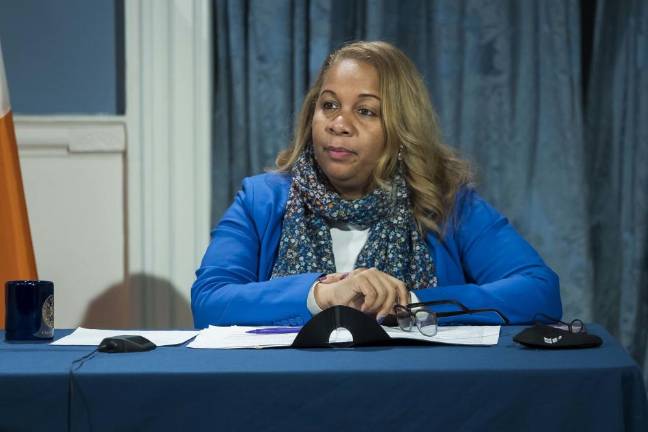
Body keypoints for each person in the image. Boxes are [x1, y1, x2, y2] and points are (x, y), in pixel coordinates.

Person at [191, 41, 562, 328]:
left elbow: (539, 290)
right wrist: (323, 296)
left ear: (401, 131)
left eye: (365, 111)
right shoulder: (261, 200)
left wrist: (410, 303)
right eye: (329, 105)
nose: (339, 124)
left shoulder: (447, 203)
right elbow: (210, 301)